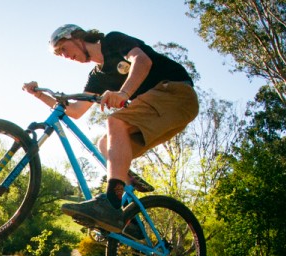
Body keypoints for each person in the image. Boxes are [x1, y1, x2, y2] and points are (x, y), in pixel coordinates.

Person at [23, 25, 199, 232]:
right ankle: (129, 218)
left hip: (176, 93)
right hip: (165, 112)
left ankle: (111, 204)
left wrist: (124, 93)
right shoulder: (97, 77)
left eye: (63, 48)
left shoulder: (112, 42)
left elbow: (142, 61)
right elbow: (76, 110)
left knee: (115, 121)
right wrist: (39, 95)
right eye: (60, 54)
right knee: (105, 144)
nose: (65, 56)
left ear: (75, 37)